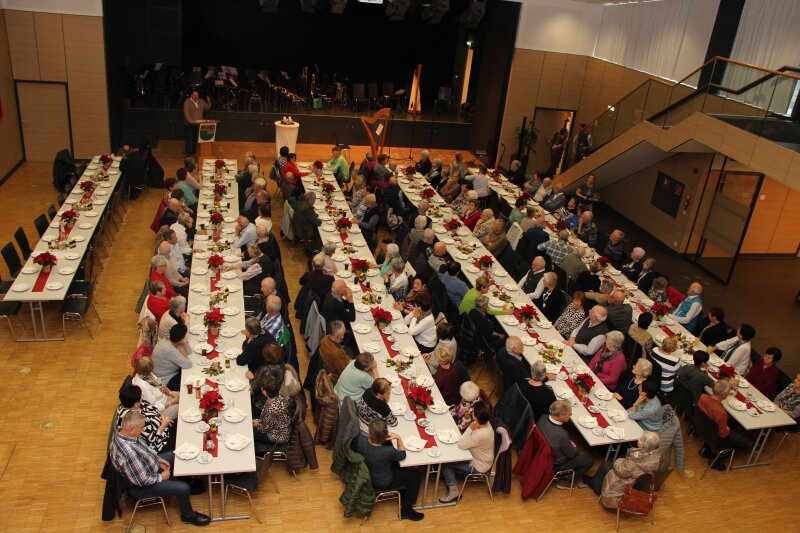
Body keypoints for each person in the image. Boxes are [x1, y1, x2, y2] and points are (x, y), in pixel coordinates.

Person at [111, 411, 211, 526]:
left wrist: (158, 459)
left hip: (148, 467)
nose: (143, 430)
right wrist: (161, 477)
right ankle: (188, 516)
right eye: (142, 428)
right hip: (140, 486)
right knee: (183, 488)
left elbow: (145, 449)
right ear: (132, 429)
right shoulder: (128, 452)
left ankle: (186, 480)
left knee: (178, 455)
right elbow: (142, 480)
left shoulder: (125, 433)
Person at [355, 420, 424, 521]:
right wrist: (398, 438)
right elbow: (402, 455)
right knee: (416, 476)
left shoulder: (360, 440)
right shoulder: (387, 451)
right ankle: (406, 510)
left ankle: (404, 494)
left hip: (369, 473)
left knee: (401, 467)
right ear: (385, 436)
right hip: (382, 481)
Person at [586, 431, 662, 509]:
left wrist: (618, 460)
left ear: (645, 445)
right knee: (608, 465)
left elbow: (621, 471)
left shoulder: (636, 459)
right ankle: (595, 482)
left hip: (624, 481)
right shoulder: (656, 456)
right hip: (636, 481)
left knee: (605, 465)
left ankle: (596, 487)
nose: (638, 439)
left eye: (641, 439)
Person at [438, 402, 495, 503]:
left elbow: (461, 444)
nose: (471, 411)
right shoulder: (486, 423)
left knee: (446, 463)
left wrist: (470, 428)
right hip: (477, 455)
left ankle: (453, 492)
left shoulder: (481, 434)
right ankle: (447, 475)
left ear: (476, 417)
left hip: (478, 465)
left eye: (473, 411)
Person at [538, 400, 594, 487]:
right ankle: (564, 480)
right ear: (561, 416)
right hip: (556, 464)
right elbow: (572, 455)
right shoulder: (562, 434)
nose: (571, 415)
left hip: (541, 452)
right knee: (589, 460)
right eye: (569, 414)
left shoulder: (543, 417)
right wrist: (574, 447)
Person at [116, 384, 174, 454]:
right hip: (159, 443)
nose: (142, 396)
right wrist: (164, 425)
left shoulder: (131, 403)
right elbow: (152, 439)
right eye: (141, 396)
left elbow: (152, 409)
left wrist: (161, 417)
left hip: (164, 426)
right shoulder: (135, 419)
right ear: (135, 404)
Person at [697, 381, 751, 456]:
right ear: (724, 395)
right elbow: (723, 435)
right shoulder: (721, 412)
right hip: (715, 436)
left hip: (701, 426)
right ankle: (722, 456)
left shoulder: (702, 397)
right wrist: (727, 429)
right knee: (744, 441)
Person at [252, 373, 292, 445]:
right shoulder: (278, 394)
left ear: (264, 391)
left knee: (249, 431)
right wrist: (259, 421)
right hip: (276, 427)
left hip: (277, 436)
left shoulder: (272, 410)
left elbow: (265, 429)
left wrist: (256, 425)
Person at [152, 324, 192, 390]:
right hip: (165, 379)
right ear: (181, 339)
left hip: (167, 372)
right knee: (190, 382)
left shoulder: (168, 339)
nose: (186, 338)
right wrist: (183, 352)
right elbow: (188, 364)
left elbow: (190, 352)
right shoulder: (169, 350)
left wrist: (184, 343)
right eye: (185, 336)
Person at [182, 89, 211, 156]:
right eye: (194, 95)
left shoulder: (201, 101)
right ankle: (187, 153)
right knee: (189, 139)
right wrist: (190, 120)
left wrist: (209, 101)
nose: (196, 96)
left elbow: (207, 107)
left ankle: (193, 152)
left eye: (197, 95)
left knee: (195, 139)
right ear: (191, 95)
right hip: (189, 124)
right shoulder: (187, 102)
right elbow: (186, 113)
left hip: (197, 124)